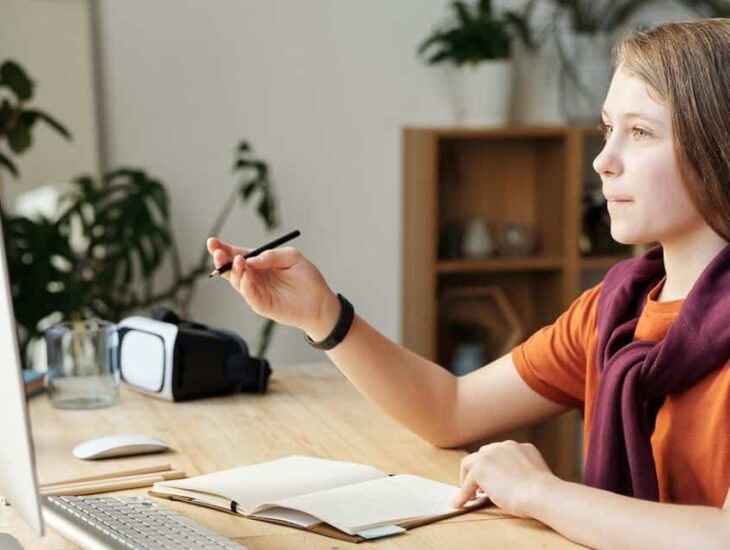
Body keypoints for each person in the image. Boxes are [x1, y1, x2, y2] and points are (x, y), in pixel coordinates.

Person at [207, 19, 730, 549]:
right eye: (607, 129)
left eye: (640, 133)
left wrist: (540, 492)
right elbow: (451, 409)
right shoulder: (614, 312)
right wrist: (323, 315)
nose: (602, 161)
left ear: (719, 148)